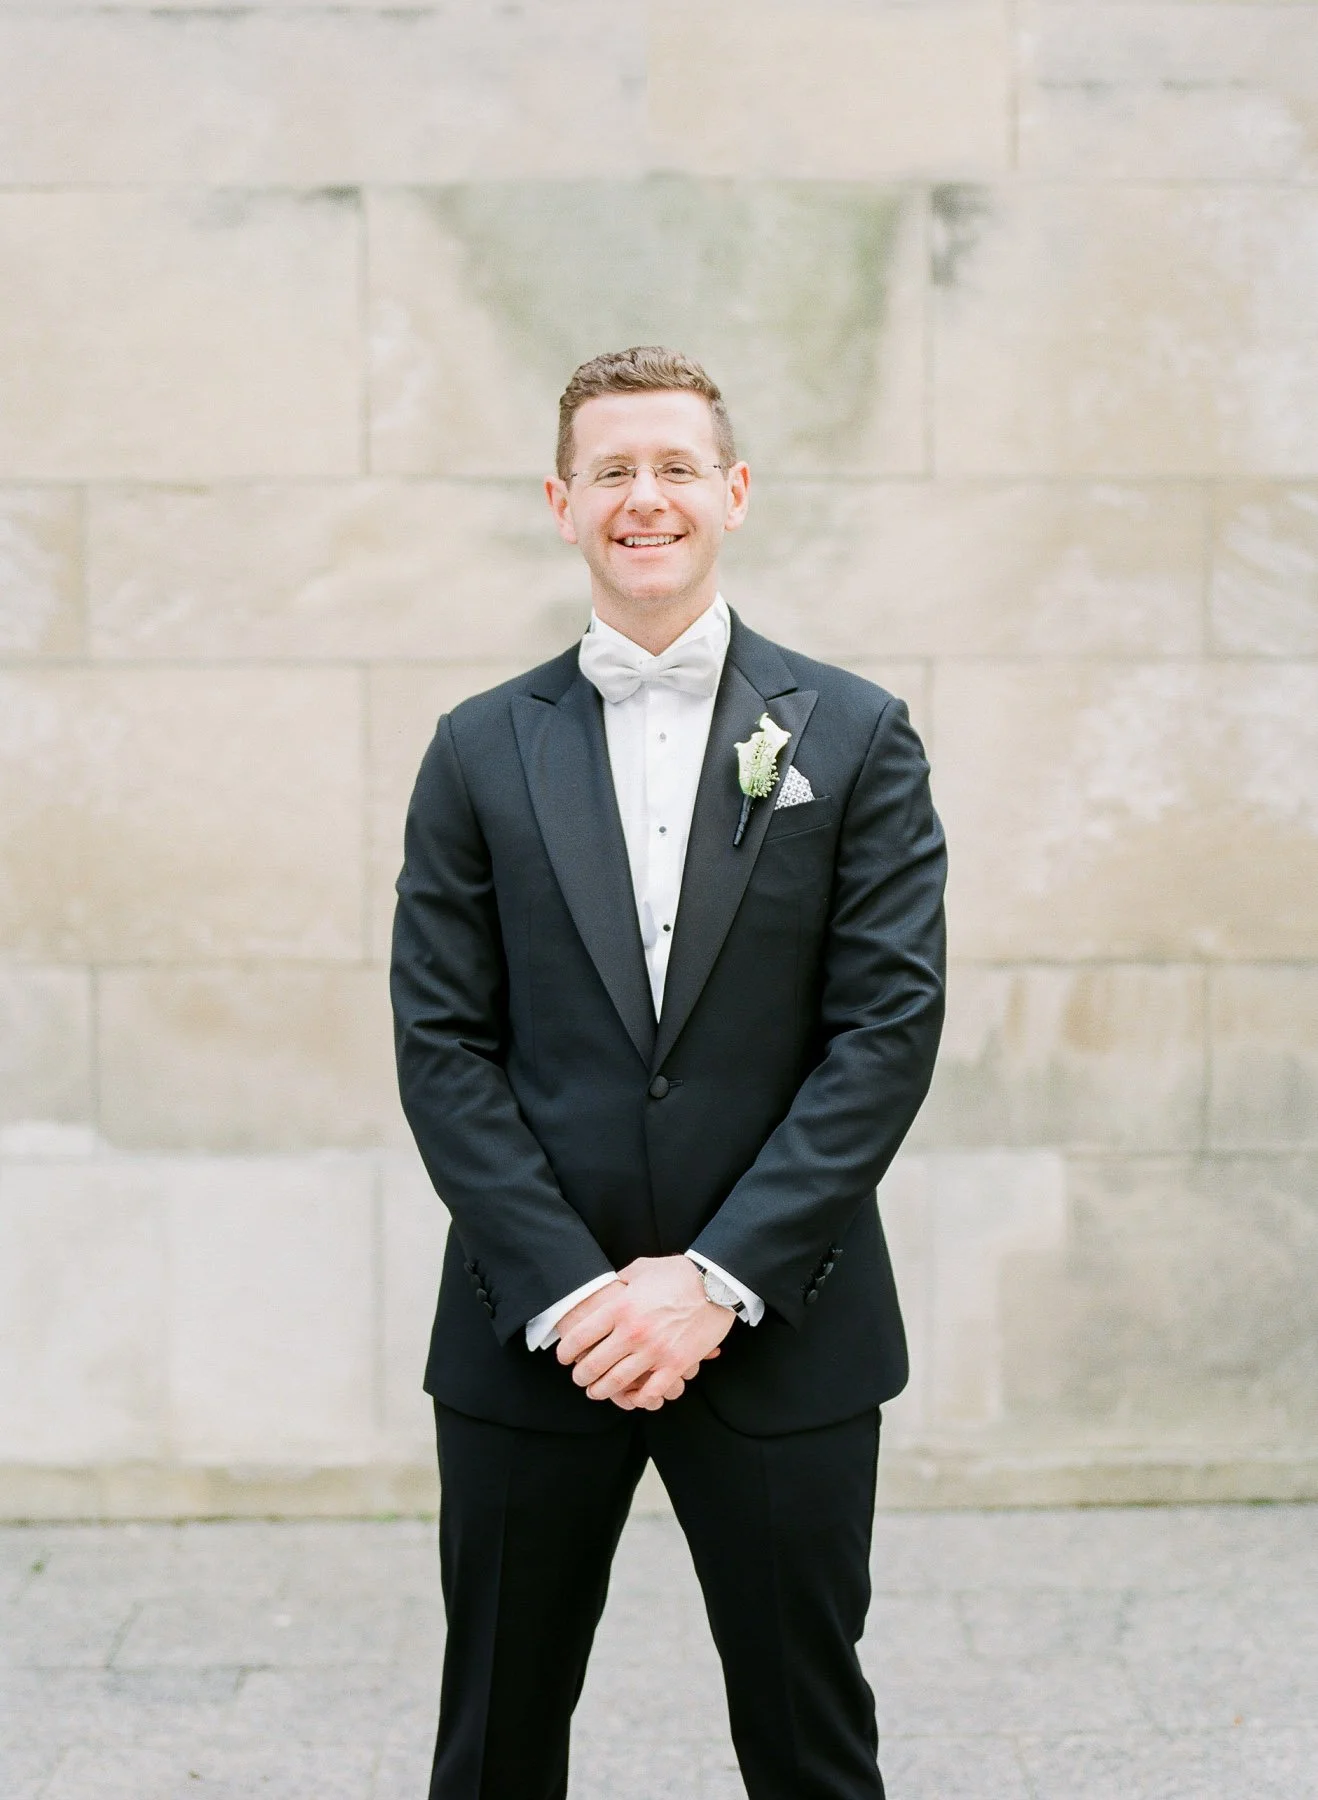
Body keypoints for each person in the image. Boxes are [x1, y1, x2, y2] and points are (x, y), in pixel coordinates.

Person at [390, 345, 946, 1800]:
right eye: (614, 472)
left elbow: (883, 1035)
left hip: (783, 1323)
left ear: (736, 491)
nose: (647, 497)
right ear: (561, 503)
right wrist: (577, 1293)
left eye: (677, 467)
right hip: (535, 1329)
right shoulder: (473, 751)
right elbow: (440, 1045)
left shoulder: (858, 735)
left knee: (811, 1746)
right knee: (495, 1741)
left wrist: (710, 1281)